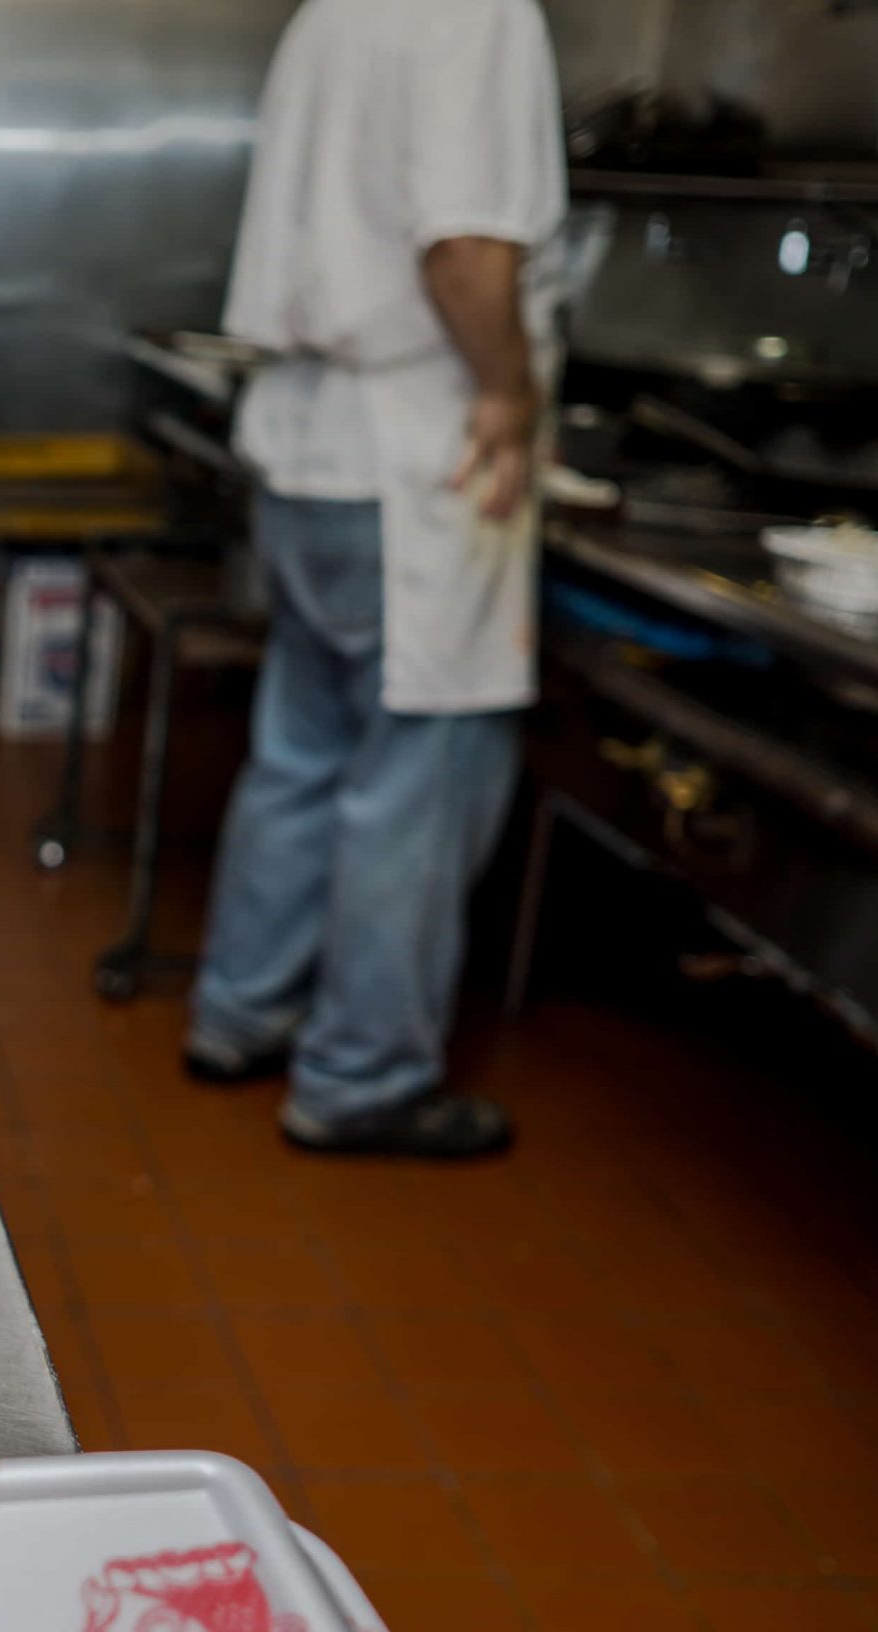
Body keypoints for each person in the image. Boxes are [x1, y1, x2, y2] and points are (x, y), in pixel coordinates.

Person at [184, 0, 568, 1157]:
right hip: (417, 451)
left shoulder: (333, 10)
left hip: (307, 447)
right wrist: (506, 391)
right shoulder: (481, 12)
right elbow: (463, 246)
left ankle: (241, 1013)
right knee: (418, 780)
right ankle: (360, 1079)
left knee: (300, 752)